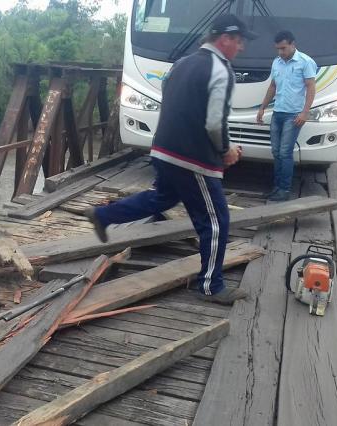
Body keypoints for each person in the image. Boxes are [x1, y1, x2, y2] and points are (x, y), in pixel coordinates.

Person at [85, 14, 256, 305]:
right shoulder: (221, 69)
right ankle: (211, 287)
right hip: (193, 159)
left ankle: (103, 216)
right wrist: (226, 149)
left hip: (164, 150)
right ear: (224, 39)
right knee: (216, 222)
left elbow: (175, 103)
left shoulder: (181, 64)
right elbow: (215, 122)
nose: (241, 48)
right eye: (238, 42)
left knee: (161, 198)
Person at [257, 30, 317, 202]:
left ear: (293, 44)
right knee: (276, 152)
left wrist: (305, 112)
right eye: (278, 49)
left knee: (285, 152)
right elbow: (272, 87)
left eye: (283, 48)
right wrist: (262, 108)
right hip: (278, 113)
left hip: (294, 115)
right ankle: (276, 188)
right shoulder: (277, 62)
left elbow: (311, 88)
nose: (280, 52)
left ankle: (284, 190)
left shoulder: (305, 62)